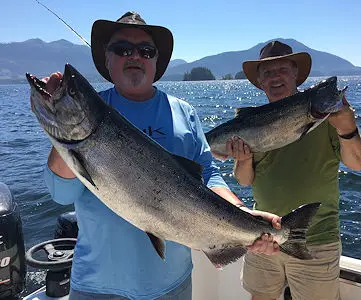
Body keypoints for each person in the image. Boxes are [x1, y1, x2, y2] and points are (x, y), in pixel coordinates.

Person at [37, 12, 281, 300]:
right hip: (96, 284)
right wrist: (66, 126)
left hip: (171, 284)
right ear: (107, 59)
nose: (135, 56)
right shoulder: (91, 109)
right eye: (122, 49)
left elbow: (209, 175)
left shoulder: (183, 112)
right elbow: (60, 193)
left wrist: (242, 214)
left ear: (156, 61)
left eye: (146, 50)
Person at [222, 41, 361, 300]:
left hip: (317, 238)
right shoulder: (250, 122)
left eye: (282, 69)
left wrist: (348, 128)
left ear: (295, 75)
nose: (275, 76)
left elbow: (357, 162)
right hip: (263, 234)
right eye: (268, 72)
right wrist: (243, 159)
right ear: (260, 81)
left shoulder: (327, 119)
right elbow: (244, 181)